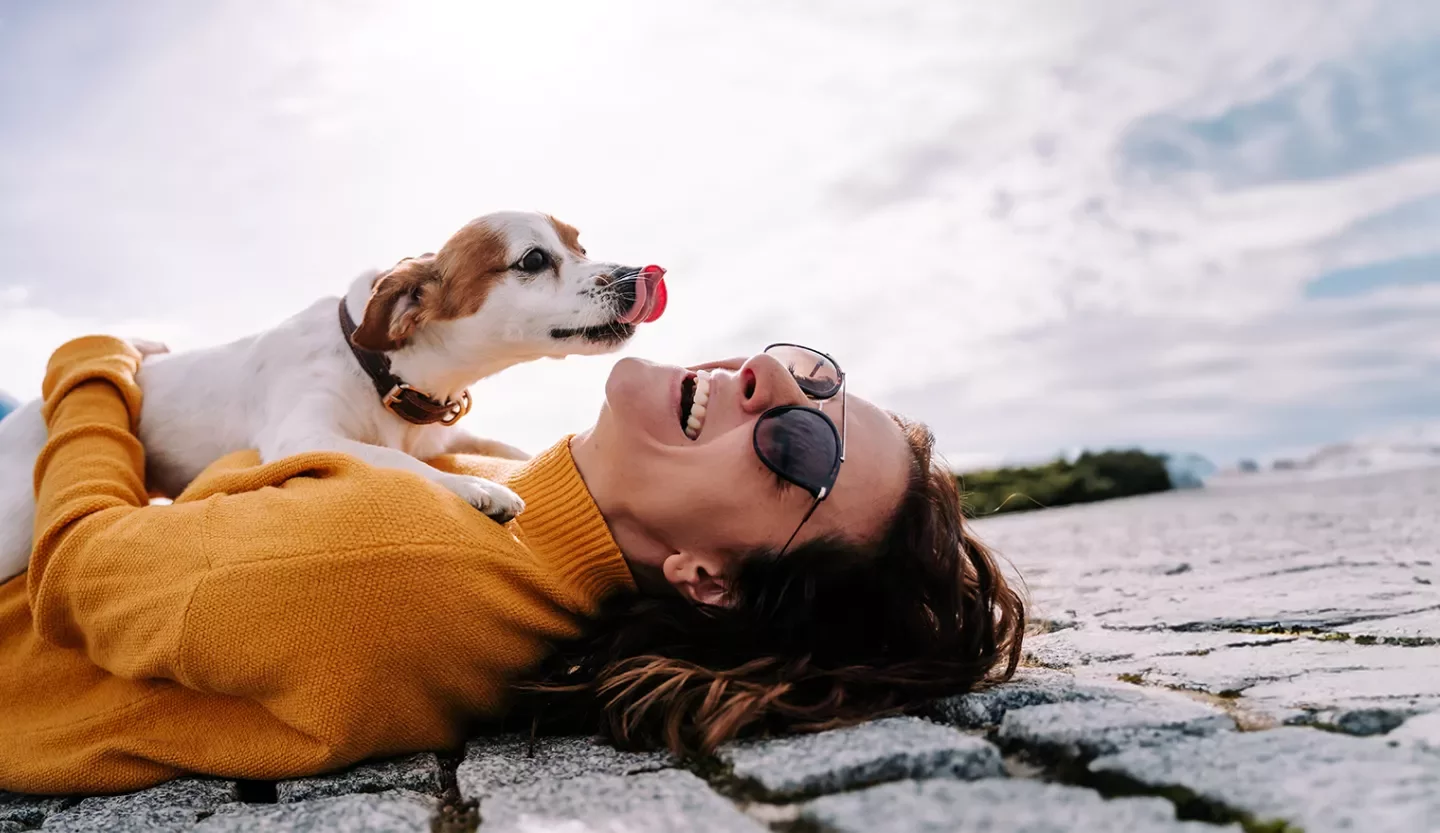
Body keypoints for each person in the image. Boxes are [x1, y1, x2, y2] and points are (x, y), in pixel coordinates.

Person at [0, 335, 1024, 794]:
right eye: (813, 373)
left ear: (706, 577)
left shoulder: (399, 559)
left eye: (799, 450)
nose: (763, 380)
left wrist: (97, 372)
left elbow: (86, 569)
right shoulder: (510, 502)